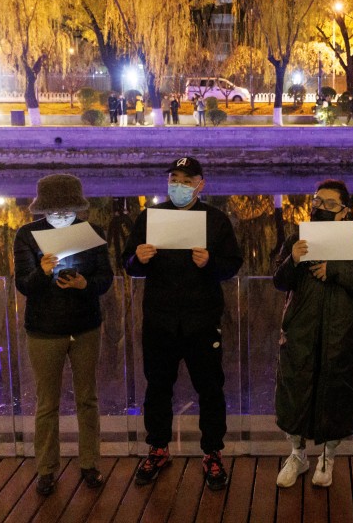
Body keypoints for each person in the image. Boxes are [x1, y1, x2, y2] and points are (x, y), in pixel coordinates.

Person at [121, 157, 243, 491]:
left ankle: (213, 453)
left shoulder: (216, 220)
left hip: (201, 321)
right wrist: (138, 259)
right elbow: (127, 263)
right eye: (174, 178)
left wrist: (210, 262)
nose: (179, 185)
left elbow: (233, 265)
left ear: (201, 184)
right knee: (157, 387)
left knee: (210, 389)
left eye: (187, 180)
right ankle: (158, 448)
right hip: (159, 321)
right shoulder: (150, 216)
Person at [272, 180, 353, 488]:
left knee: (336, 396)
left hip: (340, 336)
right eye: (317, 201)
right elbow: (279, 281)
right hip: (300, 335)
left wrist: (336, 271)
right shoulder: (297, 238)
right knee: (295, 394)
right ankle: (297, 454)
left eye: (330, 204)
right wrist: (293, 259)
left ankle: (328, 457)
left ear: (345, 211)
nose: (320, 207)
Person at [14, 174, 113, 496]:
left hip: (86, 327)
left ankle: (90, 464)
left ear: (77, 207)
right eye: (54, 210)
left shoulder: (92, 232)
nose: (61, 215)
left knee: (87, 399)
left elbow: (105, 278)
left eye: (67, 209)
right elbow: (23, 286)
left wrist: (86, 285)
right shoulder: (27, 235)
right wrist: (42, 272)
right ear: (42, 209)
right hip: (44, 330)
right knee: (47, 403)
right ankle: (46, 469)